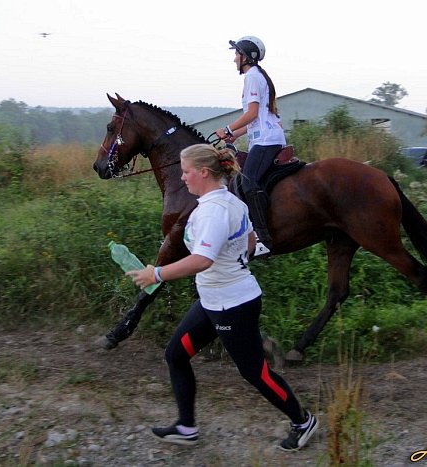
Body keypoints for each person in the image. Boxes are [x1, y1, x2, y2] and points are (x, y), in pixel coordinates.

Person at [126, 143, 318, 451]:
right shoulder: (231, 202)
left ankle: (302, 420)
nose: (183, 177)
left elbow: (203, 260)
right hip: (214, 301)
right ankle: (186, 426)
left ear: (203, 172)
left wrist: (157, 274)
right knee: (176, 355)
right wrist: (232, 257)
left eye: (186, 171)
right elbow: (252, 242)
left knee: (254, 372)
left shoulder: (214, 210)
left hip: (233, 305)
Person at [215, 36, 285, 256]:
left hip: (267, 140)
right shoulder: (255, 77)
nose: (234, 58)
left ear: (246, 56)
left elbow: (252, 113)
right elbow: (255, 119)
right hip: (262, 137)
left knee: (248, 182)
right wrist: (234, 135)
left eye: (236, 54)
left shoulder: (252, 77)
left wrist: (227, 129)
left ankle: (263, 239)